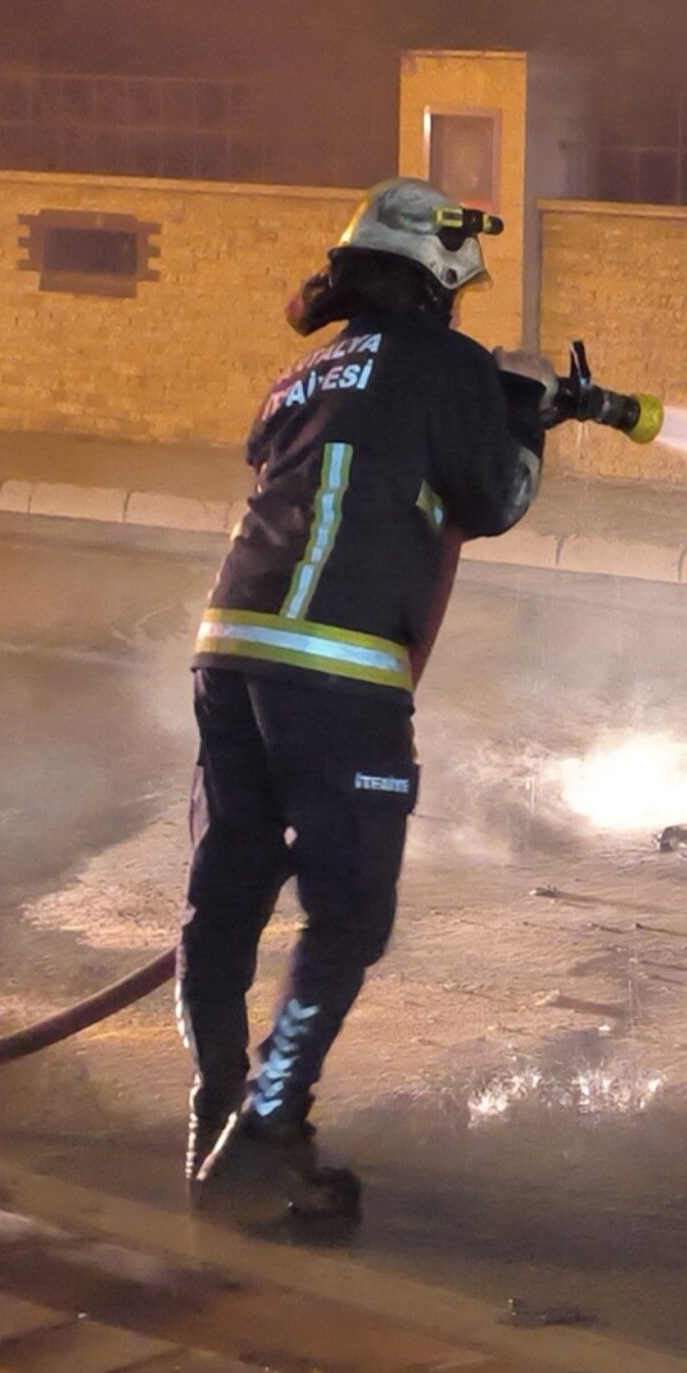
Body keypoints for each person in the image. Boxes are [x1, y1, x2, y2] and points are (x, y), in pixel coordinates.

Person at [181, 177, 553, 1219]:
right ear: (436, 277)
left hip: (230, 651)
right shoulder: (446, 362)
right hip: (335, 667)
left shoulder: (304, 369)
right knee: (346, 915)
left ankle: (215, 1114)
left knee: (225, 896)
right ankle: (266, 1133)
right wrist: (524, 414)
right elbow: (494, 498)